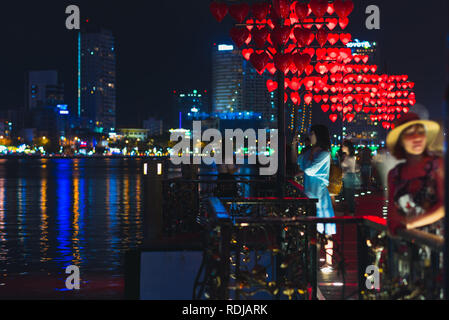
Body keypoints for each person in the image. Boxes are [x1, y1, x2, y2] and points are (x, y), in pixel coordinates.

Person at [386, 113, 444, 236]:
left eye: (421, 132)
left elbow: (444, 206)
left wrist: (409, 224)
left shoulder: (437, 166)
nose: (417, 137)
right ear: (400, 141)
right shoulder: (394, 174)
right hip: (406, 243)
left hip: (435, 241)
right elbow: (392, 210)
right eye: (410, 133)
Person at [293, 125, 336, 271]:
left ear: (319, 135)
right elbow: (297, 163)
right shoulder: (310, 152)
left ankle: (328, 262)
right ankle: (311, 261)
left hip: (321, 196)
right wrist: (294, 145)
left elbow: (309, 169)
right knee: (311, 230)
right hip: (309, 195)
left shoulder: (324, 154)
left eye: (312, 133)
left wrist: (305, 163)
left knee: (326, 230)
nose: (309, 136)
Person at [340, 140, 360, 215]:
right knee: (349, 195)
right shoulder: (348, 157)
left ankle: (352, 212)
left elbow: (347, 169)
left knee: (349, 196)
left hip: (349, 177)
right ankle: (351, 211)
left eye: (343, 146)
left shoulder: (350, 158)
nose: (342, 147)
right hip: (349, 177)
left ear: (347, 147)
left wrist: (342, 174)